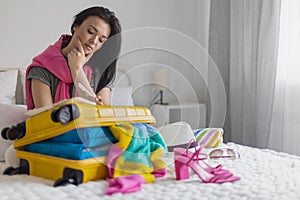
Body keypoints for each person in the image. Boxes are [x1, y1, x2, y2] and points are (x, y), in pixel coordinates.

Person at [25, 6, 122, 110]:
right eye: (90, 32)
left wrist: (77, 70)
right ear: (76, 26)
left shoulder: (101, 69)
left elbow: (103, 115)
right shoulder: (42, 68)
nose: (94, 41)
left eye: (101, 40)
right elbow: (46, 118)